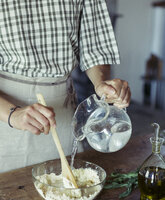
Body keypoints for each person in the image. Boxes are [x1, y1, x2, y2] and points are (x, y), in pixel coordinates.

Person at [0, 0, 131, 173]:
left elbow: (95, 48)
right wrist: (12, 115)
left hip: (64, 115)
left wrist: (101, 84)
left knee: (67, 187)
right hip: (6, 117)